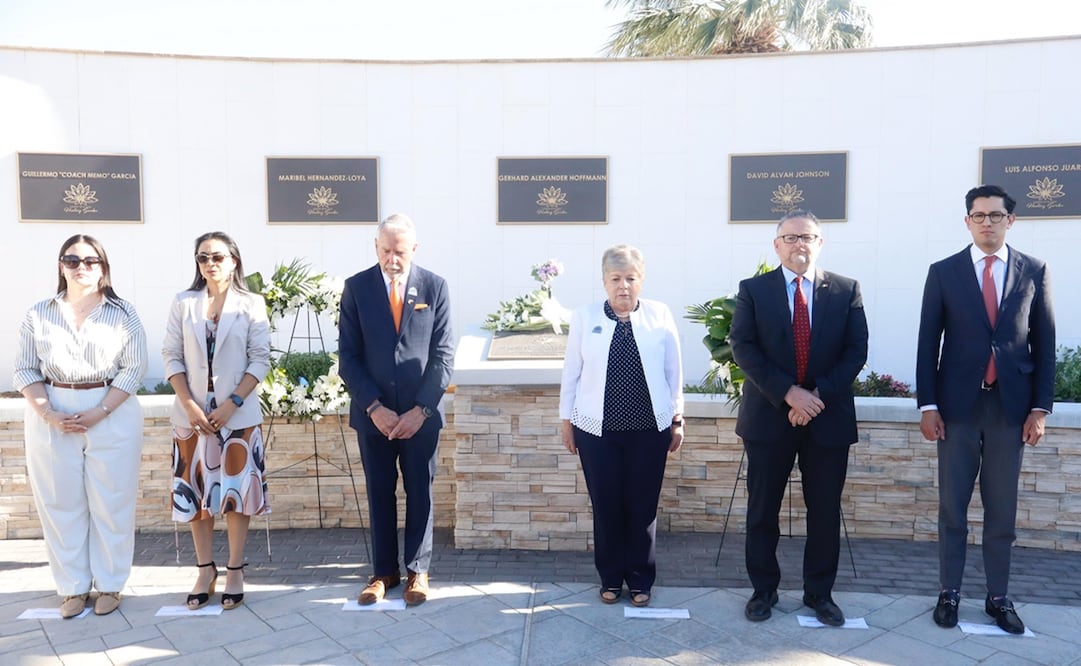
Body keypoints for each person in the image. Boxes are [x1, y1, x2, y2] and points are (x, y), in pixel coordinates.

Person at [917, 185, 1055, 634]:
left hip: (1009, 409)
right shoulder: (944, 272)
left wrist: (1040, 408)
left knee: (1002, 511)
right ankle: (949, 593)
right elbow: (927, 343)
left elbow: (1045, 343)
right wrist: (928, 405)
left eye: (996, 215)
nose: (987, 223)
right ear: (968, 221)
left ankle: (998, 597)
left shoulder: (1034, 270)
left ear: (1010, 221)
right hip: (957, 408)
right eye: (979, 215)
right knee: (952, 509)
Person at [730, 211, 868, 626]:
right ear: (777, 246)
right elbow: (743, 346)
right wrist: (789, 393)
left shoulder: (846, 290)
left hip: (828, 417)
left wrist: (815, 397)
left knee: (824, 512)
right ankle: (763, 590)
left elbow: (856, 351)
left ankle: (819, 593)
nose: (799, 244)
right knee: (762, 510)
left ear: (820, 243)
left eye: (807, 237)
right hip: (769, 417)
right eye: (790, 238)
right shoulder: (754, 290)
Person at [14, 235, 148, 618]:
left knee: (112, 501)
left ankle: (110, 584)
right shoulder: (38, 314)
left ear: (103, 268)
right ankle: (71, 587)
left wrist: (100, 411)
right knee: (60, 502)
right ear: (61, 266)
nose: (81, 267)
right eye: (72, 260)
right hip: (53, 409)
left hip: (110, 408)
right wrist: (47, 412)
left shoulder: (123, 313)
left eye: (90, 261)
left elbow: (134, 368)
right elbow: (24, 369)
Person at [559, 244, 684, 608]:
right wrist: (566, 421)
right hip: (597, 431)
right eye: (615, 279)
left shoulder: (659, 315)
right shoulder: (585, 317)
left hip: (650, 430)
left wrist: (678, 419)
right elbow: (571, 372)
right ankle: (611, 578)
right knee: (607, 505)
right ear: (604, 281)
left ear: (641, 280)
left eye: (630, 278)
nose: (623, 286)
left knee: (643, 507)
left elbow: (673, 372)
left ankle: (641, 579)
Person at [338, 213, 454, 606]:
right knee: (379, 491)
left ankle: (418, 571)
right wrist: (374, 407)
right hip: (374, 416)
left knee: (420, 490)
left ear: (414, 250)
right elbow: (348, 356)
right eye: (386, 250)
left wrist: (420, 410)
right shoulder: (357, 288)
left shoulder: (435, 287)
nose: (392, 259)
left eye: (400, 252)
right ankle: (383, 572)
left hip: (420, 417)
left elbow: (443, 355)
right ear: (376, 247)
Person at [163, 231, 271, 611]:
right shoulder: (183, 303)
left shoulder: (251, 304)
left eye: (218, 256)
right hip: (191, 415)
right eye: (203, 257)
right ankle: (205, 570)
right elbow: (171, 355)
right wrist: (189, 405)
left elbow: (260, 358)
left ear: (234, 261)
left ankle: (235, 569)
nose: (211, 263)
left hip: (237, 414)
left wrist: (232, 403)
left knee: (236, 494)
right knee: (196, 494)